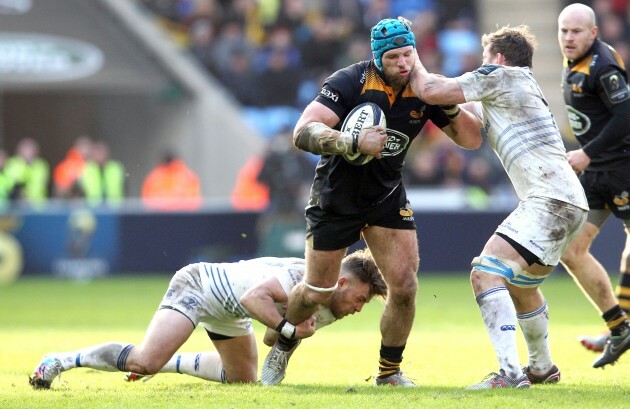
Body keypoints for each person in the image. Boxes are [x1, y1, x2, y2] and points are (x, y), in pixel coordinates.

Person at [260, 16, 481, 387]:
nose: (403, 64)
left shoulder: (425, 87)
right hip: (336, 197)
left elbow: (472, 140)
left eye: (408, 55)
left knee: (405, 286)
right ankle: (283, 343)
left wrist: (447, 100)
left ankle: (389, 373)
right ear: (377, 57)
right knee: (317, 291)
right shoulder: (350, 81)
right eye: (394, 57)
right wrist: (350, 142)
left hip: (385, 196)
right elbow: (302, 132)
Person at [410, 24, 589, 388]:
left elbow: (430, 88)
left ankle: (508, 373)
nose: (482, 64)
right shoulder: (516, 87)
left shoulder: (501, 75)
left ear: (499, 58)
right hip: (569, 201)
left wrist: (409, 55)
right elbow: (472, 134)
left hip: (548, 198)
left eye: (485, 58)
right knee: (521, 287)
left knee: (485, 273)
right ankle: (542, 368)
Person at [29, 248, 387, 389]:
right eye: (359, 299)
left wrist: (289, 334)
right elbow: (253, 298)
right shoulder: (307, 282)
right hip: (201, 286)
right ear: (341, 283)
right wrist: (290, 329)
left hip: (233, 310)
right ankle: (59, 360)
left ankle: (164, 361)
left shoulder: (329, 302)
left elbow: (268, 337)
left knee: (243, 380)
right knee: (144, 358)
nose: (358, 309)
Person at [556, 3, 630, 367]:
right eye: (564, 31)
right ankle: (620, 325)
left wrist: (586, 153)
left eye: (576, 32)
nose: (569, 38)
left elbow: (625, 115)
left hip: (623, 169)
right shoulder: (576, 63)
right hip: (597, 174)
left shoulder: (604, 67)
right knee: (571, 251)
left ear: (593, 33)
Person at [5, 137, 49, 207]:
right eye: (26, 150)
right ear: (19, 152)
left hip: (38, 205)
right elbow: (12, 184)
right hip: (16, 205)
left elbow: (41, 183)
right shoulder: (13, 164)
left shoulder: (40, 165)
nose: (28, 153)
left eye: (31, 150)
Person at [80, 141, 125, 207]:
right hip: (93, 208)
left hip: (115, 208)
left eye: (101, 153)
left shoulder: (115, 168)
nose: (100, 156)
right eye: (97, 153)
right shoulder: (87, 169)